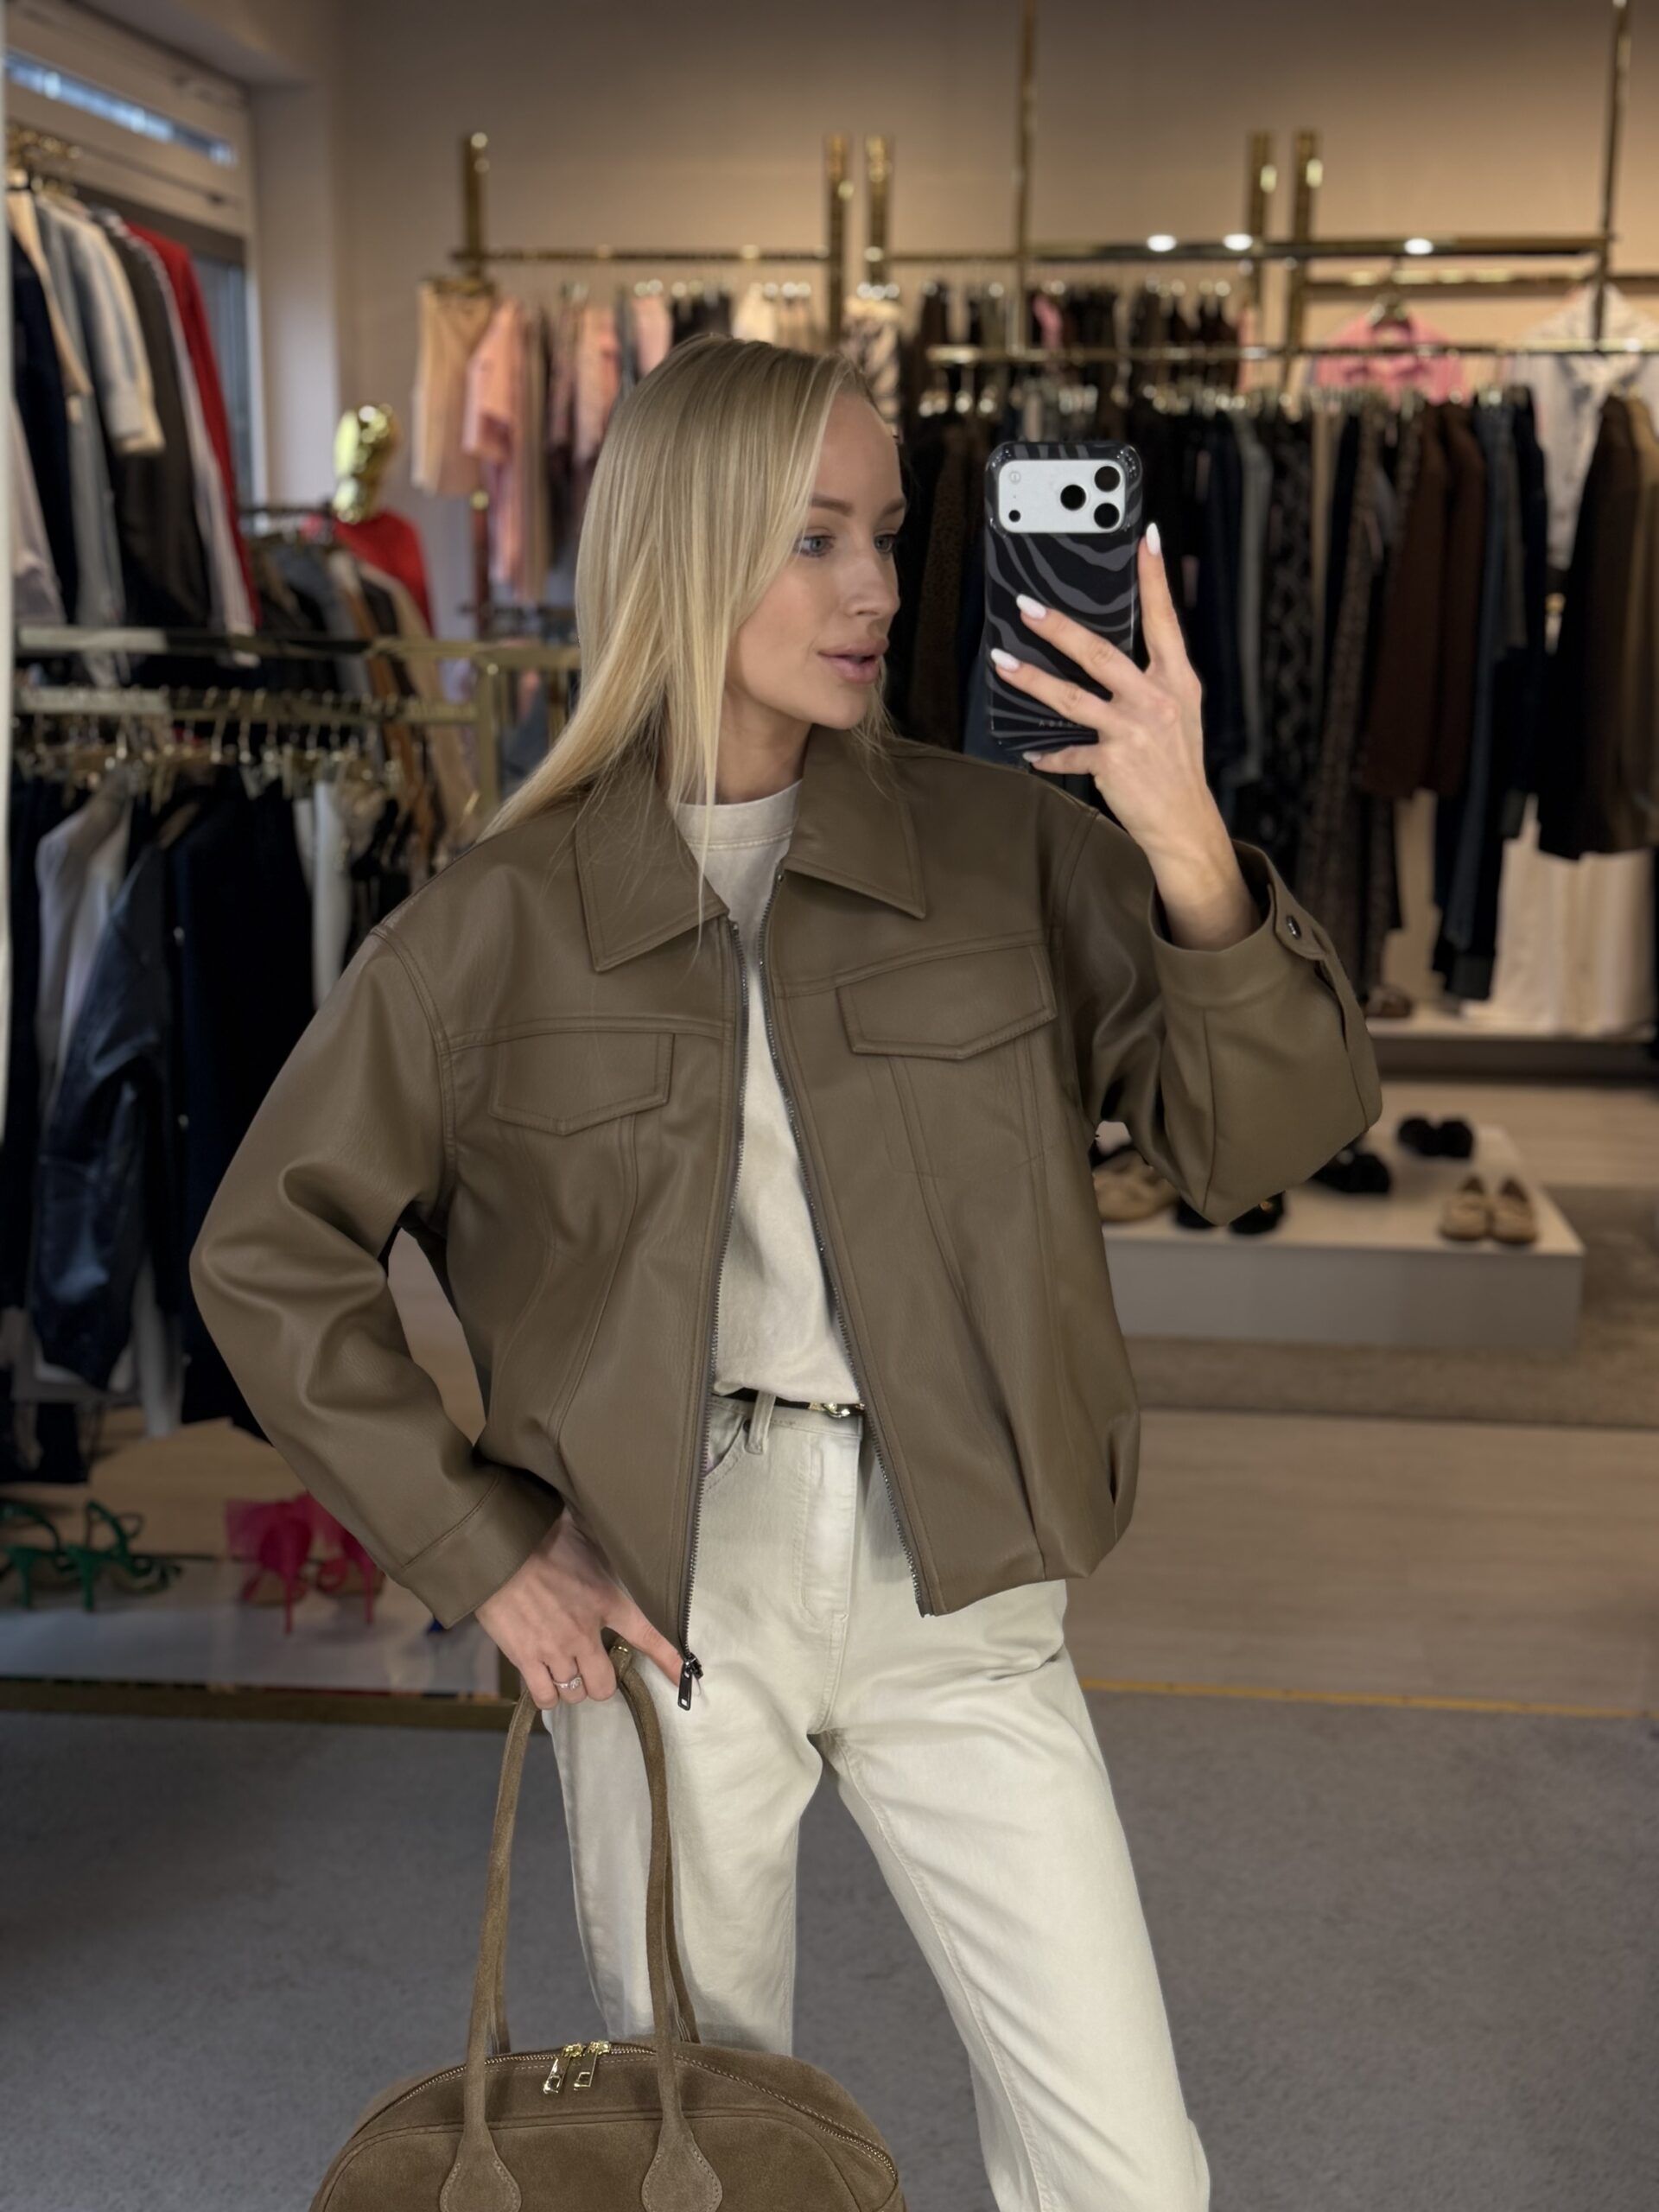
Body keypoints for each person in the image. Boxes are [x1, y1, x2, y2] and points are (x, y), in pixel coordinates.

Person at [191, 335, 1382, 2211]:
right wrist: (480, 1544)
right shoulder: (499, 920)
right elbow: (268, 1251)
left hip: (960, 1569)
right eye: (815, 538)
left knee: (1131, 2169)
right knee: (710, 2153)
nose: (878, 589)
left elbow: (1258, 1140)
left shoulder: (1009, 853)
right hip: (669, 1592)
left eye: (888, 534)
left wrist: (1184, 839)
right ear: (687, 548)